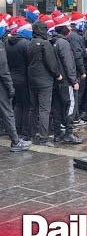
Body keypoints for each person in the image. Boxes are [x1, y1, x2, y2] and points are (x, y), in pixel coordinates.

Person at [27, 19, 62, 146]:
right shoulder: (45, 44)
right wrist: (58, 75)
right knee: (44, 109)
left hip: (32, 79)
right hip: (44, 80)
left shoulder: (30, 43)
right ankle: (43, 137)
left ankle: (32, 134)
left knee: (33, 108)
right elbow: (51, 63)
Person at [50, 15, 82, 144]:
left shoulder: (53, 42)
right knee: (70, 106)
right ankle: (69, 132)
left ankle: (58, 133)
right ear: (63, 28)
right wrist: (74, 81)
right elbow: (68, 63)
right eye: (68, 26)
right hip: (66, 82)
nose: (70, 28)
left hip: (57, 81)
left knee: (57, 107)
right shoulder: (63, 43)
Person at [0, 17, 30, 152]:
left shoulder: (5, 43)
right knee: (8, 112)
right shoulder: (1, 46)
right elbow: (3, 70)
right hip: (3, 85)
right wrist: (10, 87)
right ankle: (16, 142)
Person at [67, 12, 87, 124]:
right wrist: (82, 71)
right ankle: (75, 117)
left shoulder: (72, 36)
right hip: (76, 70)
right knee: (76, 95)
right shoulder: (75, 37)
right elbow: (77, 55)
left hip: (74, 68)